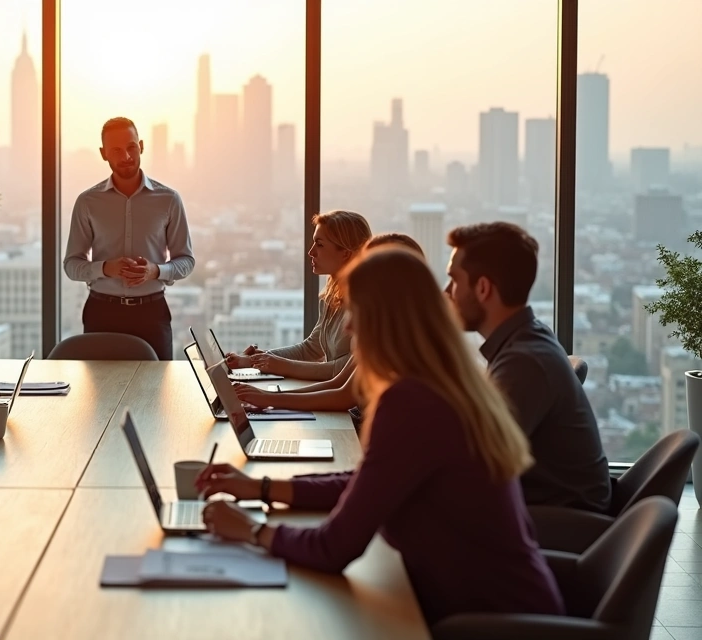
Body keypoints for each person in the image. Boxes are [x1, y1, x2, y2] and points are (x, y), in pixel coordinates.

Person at [197, 247, 564, 625]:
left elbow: (332, 548)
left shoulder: (411, 402)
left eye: (356, 311)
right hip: (502, 605)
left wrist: (251, 529)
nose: (350, 327)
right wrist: (261, 488)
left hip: (491, 624)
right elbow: (365, 483)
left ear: (384, 319)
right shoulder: (444, 383)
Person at [446, 222, 611, 512]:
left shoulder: (525, 362)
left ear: (483, 288)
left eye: (454, 281)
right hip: (547, 508)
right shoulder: (527, 337)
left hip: (562, 523)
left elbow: (478, 464)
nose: (448, 292)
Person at [233, 233, 424, 412]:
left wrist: (270, 398)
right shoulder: (384, 327)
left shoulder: (398, 336)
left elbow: (343, 395)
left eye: (320, 244)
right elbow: (337, 384)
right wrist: (268, 396)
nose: (311, 252)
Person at [63, 116, 195, 360]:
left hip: (152, 314)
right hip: (101, 313)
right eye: (116, 150)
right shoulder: (87, 202)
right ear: (103, 154)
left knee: (156, 392)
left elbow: (186, 261)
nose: (125, 157)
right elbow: (71, 266)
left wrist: (155, 271)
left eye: (131, 147)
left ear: (141, 146)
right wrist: (105, 268)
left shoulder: (169, 200)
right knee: (101, 394)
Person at [226, 210, 372, 381]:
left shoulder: (366, 304)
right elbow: (309, 349)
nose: (311, 252)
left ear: (345, 253)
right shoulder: (331, 298)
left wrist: (273, 364)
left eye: (320, 244)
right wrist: (255, 360)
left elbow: (339, 372)